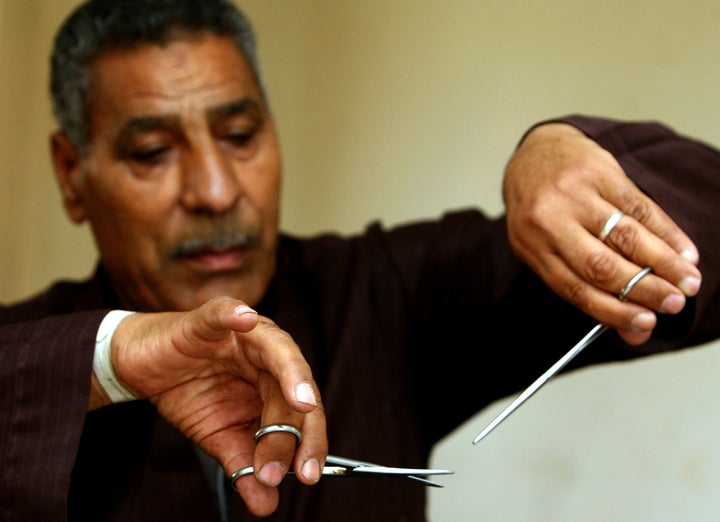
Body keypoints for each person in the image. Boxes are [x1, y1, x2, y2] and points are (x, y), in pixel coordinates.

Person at [1, 0, 718, 520]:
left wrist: (569, 157)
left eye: (242, 134)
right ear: (71, 174)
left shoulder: (385, 297)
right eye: (153, 152)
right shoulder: (33, 353)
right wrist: (107, 360)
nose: (216, 191)